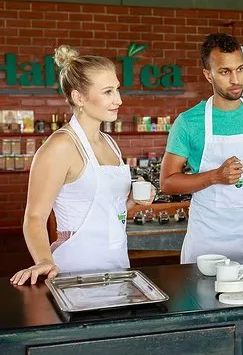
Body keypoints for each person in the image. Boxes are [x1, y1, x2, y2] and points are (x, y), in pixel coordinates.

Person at [11, 45, 155, 286]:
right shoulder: (60, 146)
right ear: (79, 97)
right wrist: (44, 260)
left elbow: (106, 212)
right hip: (73, 272)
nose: (118, 100)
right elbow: (35, 217)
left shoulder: (110, 143)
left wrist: (132, 201)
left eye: (117, 89)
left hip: (117, 267)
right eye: (108, 92)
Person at [160, 33, 243, 264]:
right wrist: (215, 176)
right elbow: (167, 182)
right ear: (209, 75)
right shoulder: (188, 122)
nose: (236, 80)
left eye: (240, 69)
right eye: (225, 72)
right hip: (206, 240)